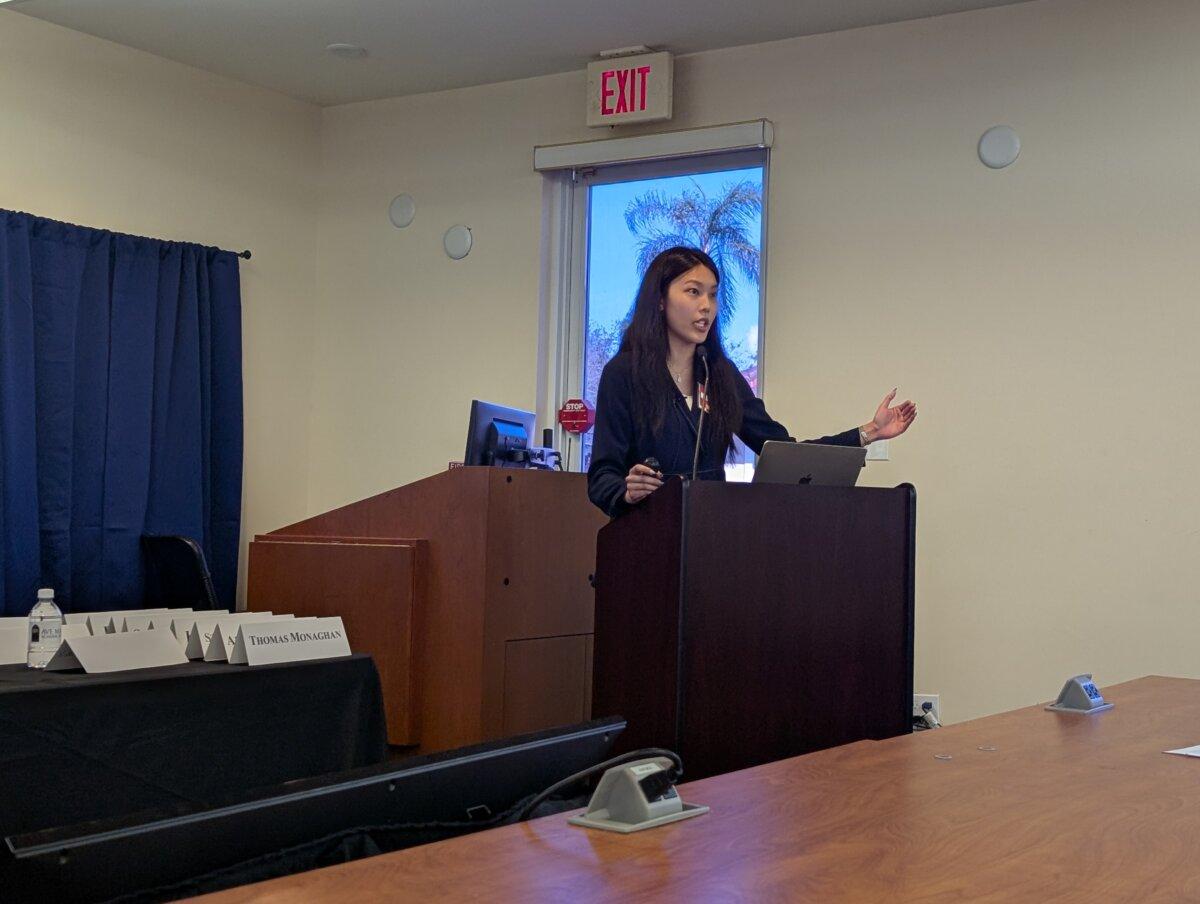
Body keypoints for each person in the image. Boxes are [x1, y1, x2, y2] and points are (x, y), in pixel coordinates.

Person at [587, 246, 917, 517]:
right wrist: (627, 491)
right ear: (660, 300)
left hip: (711, 536)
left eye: (713, 295)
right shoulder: (623, 373)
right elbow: (602, 478)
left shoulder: (720, 374)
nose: (706, 306)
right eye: (693, 292)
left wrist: (869, 432)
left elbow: (783, 452)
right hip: (647, 538)